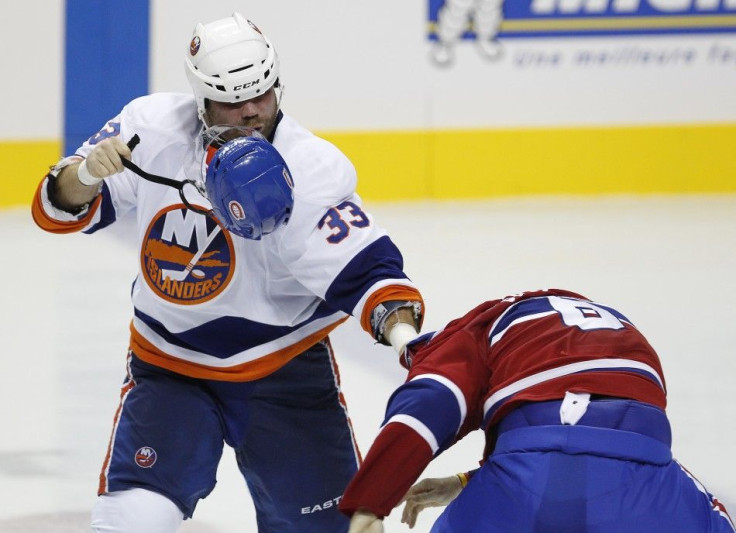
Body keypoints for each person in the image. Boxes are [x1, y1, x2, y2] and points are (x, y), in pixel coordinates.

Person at [31, 12, 423, 533]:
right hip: (170, 366)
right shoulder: (149, 129)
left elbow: (365, 267)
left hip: (283, 372)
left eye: (261, 95)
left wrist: (405, 336)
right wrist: (83, 173)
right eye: (232, 101)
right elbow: (57, 208)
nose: (251, 111)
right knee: (129, 523)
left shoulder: (311, 166)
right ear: (200, 98)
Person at [339, 288, 735, 533]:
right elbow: (603, 444)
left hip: (528, 486)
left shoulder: (481, 328)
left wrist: (371, 501)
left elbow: (430, 403)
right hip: (647, 483)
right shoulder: (624, 333)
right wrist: (465, 481)